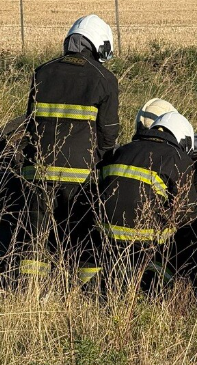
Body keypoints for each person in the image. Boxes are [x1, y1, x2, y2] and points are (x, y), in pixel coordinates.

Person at [18, 14, 119, 283]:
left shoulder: (42, 72)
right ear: (99, 45)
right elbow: (108, 134)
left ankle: (29, 292)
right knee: (82, 240)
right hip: (80, 177)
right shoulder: (104, 79)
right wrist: (98, 164)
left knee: (34, 243)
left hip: (37, 173)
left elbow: (30, 124)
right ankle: (85, 294)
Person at [97, 110, 197, 292]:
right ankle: (159, 285)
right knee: (187, 233)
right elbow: (187, 213)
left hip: (105, 234)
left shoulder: (122, 150)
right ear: (183, 139)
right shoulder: (178, 158)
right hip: (144, 243)